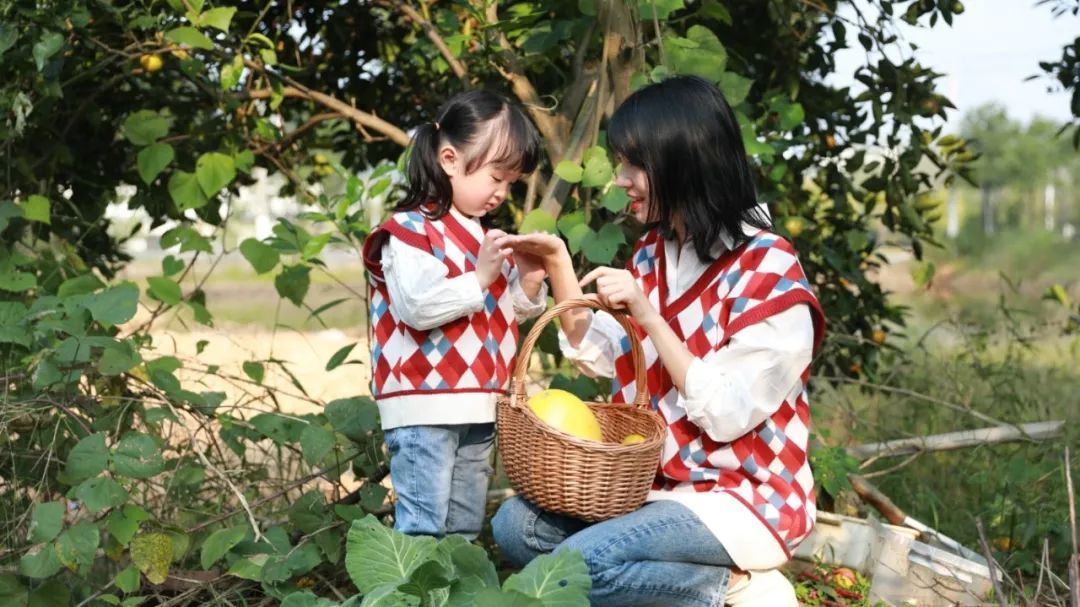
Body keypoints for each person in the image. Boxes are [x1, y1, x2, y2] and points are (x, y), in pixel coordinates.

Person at [493, 75, 826, 606]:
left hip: (742, 498)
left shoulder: (770, 269)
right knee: (514, 526)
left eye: (634, 165)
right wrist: (556, 261)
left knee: (578, 566)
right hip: (654, 489)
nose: (621, 179)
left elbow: (727, 414)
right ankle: (705, 585)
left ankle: (736, 587)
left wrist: (647, 313)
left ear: (682, 161)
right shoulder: (654, 252)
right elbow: (606, 353)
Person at [361, 89, 546, 540]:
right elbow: (418, 308)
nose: (502, 192)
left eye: (511, 183)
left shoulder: (482, 235)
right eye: (495, 176)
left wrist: (529, 285)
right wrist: (483, 277)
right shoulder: (408, 230)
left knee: (463, 529)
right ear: (448, 159)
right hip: (423, 403)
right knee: (423, 528)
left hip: (480, 402)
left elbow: (497, 316)